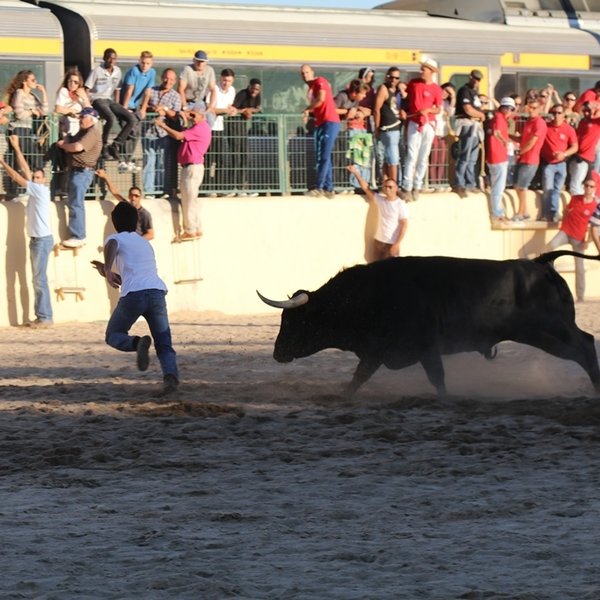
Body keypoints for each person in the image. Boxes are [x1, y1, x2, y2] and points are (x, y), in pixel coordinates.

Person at [92, 201, 179, 396]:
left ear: (115, 223)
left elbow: (113, 245)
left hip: (134, 296)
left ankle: (137, 343)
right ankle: (171, 378)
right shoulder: (144, 242)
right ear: (136, 222)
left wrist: (107, 268)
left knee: (113, 334)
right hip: (156, 293)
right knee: (164, 342)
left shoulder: (114, 238)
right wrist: (107, 270)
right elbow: (133, 274)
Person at [0, 135, 53, 327]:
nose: (36, 180)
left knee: (39, 280)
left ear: (44, 180)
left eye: (39, 178)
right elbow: (25, 170)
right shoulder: (35, 189)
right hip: (37, 240)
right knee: (37, 279)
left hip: (41, 240)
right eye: (35, 178)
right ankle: (42, 316)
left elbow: (17, 176)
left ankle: (45, 317)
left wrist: (2, 162)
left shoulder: (40, 190)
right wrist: (16, 147)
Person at [155, 106, 212, 240]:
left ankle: (190, 230)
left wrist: (162, 125)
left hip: (192, 168)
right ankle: (196, 228)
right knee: (192, 199)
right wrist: (186, 119)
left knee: (188, 199)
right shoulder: (200, 127)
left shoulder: (200, 128)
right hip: (193, 167)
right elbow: (186, 133)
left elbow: (179, 135)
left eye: (194, 115)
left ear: (202, 115)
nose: (191, 117)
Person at [544, 177, 598, 302]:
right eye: (586, 185)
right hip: (565, 231)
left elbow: (594, 226)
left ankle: (580, 296)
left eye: (591, 186)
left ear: (595, 189)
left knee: (579, 266)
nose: (588, 188)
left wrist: (588, 241)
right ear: (583, 186)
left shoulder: (595, 205)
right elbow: (566, 210)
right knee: (549, 248)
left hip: (579, 238)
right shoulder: (575, 198)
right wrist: (564, 219)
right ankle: (552, 276)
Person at [57, 106, 103, 248]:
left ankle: (78, 236)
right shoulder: (84, 131)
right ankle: (76, 234)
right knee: (73, 202)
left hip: (82, 172)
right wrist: (64, 132)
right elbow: (70, 141)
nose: (80, 119)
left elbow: (76, 147)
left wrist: (64, 146)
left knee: (76, 202)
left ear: (91, 119)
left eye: (83, 117)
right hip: (75, 171)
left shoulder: (93, 132)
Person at [347, 164, 409, 262]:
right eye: (385, 187)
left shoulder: (400, 204)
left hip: (391, 243)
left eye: (390, 187)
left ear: (396, 188)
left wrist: (397, 244)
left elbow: (404, 225)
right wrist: (355, 173)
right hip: (379, 241)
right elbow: (366, 188)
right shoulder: (380, 200)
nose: (387, 189)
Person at [402, 57, 443, 201]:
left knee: (423, 156)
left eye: (424, 69)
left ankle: (417, 186)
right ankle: (407, 186)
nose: (421, 71)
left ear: (431, 72)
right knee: (412, 155)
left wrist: (429, 110)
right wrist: (403, 109)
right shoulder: (413, 83)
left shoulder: (437, 89)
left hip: (428, 123)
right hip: (414, 121)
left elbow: (438, 108)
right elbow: (406, 99)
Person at [85, 49, 136, 163]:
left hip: (109, 99)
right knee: (111, 118)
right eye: (109, 58)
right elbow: (87, 88)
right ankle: (104, 146)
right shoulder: (96, 71)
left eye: (114, 58)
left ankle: (116, 144)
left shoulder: (117, 71)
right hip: (97, 99)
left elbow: (117, 89)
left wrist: (118, 106)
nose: (111, 61)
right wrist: (88, 105)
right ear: (104, 58)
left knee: (131, 119)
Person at [140, 67, 181, 199]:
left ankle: (161, 190)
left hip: (164, 133)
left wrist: (164, 109)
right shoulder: (151, 91)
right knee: (149, 162)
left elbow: (176, 115)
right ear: (161, 77)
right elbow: (142, 106)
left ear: (174, 81)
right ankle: (149, 191)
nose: (167, 81)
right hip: (148, 131)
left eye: (170, 79)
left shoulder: (176, 96)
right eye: (165, 77)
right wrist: (153, 108)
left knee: (162, 162)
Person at [300, 64, 341, 198]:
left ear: (312, 72)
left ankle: (319, 187)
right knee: (323, 155)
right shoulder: (310, 88)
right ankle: (329, 188)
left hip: (330, 122)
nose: (305, 75)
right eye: (303, 73)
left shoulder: (320, 81)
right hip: (320, 123)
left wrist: (307, 109)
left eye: (307, 72)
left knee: (324, 155)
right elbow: (316, 105)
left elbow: (321, 99)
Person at [118, 50, 156, 173]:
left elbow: (147, 92)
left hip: (136, 106)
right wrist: (124, 107)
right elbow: (129, 90)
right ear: (139, 61)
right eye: (143, 63)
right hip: (125, 104)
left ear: (151, 63)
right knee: (126, 131)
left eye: (148, 63)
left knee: (136, 133)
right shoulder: (134, 71)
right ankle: (122, 160)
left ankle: (128, 160)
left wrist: (144, 108)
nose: (145, 66)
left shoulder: (151, 73)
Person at [540, 103, 578, 221]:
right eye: (554, 113)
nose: (556, 115)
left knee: (556, 190)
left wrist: (564, 154)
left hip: (562, 165)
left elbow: (575, 147)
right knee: (547, 189)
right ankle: (547, 214)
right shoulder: (546, 127)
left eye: (559, 113)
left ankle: (554, 213)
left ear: (563, 115)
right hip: (548, 164)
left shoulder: (569, 129)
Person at [5, 69, 48, 173]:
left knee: (33, 161)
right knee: (30, 161)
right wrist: (31, 111)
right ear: (25, 81)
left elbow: (44, 111)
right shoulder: (19, 93)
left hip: (28, 131)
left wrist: (44, 93)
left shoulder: (33, 96)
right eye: (33, 80)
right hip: (18, 130)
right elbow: (19, 114)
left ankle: (34, 180)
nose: (35, 82)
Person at [95, 168, 154, 240]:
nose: (133, 198)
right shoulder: (127, 208)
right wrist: (105, 176)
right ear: (129, 196)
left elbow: (151, 234)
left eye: (136, 196)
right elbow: (115, 192)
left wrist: (136, 241)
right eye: (131, 195)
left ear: (140, 197)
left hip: (135, 244)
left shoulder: (144, 214)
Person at [512, 98, 547, 221]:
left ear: (539, 109)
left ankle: (520, 213)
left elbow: (532, 142)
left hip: (530, 160)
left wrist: (520, 152)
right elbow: (524, 139)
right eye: (530, 108)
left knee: (522, 187)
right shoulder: (529, 122)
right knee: (517, 186)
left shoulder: (539, 123)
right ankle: (525, 212)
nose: (531, 110)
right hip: (524, 159)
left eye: (534, 108)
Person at [453, 69, 486, 198]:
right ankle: (460, 183)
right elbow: (468, 109)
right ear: (470, 78)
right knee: (465, 156)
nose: (476, 82)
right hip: (467, 124)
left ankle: (470, 183)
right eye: (474, 79)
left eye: (478, 80)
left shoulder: (475, 93)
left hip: (476, 125)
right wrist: (481, 115)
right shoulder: (464, 91)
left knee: (472, 158)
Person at [227, 78, 262, 197]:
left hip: (243, 128)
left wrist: (250, 110)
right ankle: (232, 186)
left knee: (244, 156)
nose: (255, 91)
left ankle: (242, 186)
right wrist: (244, 111)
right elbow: (233, 109)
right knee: (235, 156)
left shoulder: (257, 95)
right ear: (249, 86)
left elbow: (258, 108)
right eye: (253, 88)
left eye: (257, 89)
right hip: (234, 126)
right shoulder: (242, 94)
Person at [334, 79, 371, 190]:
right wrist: (347, 112)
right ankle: (343, 184)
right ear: (354, 93)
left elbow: (353, 110)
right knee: (342, 158)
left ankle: (359, 183)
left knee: (359, 157)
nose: (364, 96)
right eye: (363, 93)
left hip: (347, 129)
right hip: (337, 129)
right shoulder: (342, 96)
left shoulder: (355, 100)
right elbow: (332, 110)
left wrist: (357, 111)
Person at [485, 96, 516, 222]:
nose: (509, 110)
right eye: (507, 108)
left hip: (497, 155)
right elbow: (497, 132)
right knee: (498, 186)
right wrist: (505, 142)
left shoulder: (501, 117)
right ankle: (497, 212)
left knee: (497, 184)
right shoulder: (499, 117)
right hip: (497, 156)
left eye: (510, 108)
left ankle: (497, 211)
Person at [206, 68, 237, 194]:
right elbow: (210, 108)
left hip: (221, 128)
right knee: (208, 160)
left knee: (221, 159)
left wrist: (232, 110)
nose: (226, 83)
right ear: (221, 79)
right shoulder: (213, 89)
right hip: (209, 129)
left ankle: (219, 187)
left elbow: (229, 107)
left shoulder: (232, 91)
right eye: (224, 80)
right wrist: (224, 111)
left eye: (229, 81)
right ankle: (207, 188)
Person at [373, 66, 403, 187]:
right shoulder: (383, 89)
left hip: (398, 127)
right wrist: (377, 127)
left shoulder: (398, 90)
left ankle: (387, 184)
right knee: (393, 158)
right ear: (387, 76)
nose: (393, 80)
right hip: (388, 128)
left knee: (389, 158)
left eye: (396, 78)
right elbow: (376, 109)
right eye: (391, 77)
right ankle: (393, 185)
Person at [178, 50, 217, 126]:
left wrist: (211, 106)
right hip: (187, 101)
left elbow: (213, 90)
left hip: (199, 102)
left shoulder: (210, 70)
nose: (200, 63)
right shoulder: (187, 69)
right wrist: (185, 106)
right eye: (198, 61)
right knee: (183, 121)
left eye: (202, 61)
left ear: (206, 62)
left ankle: (205, 136)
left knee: (210, 119)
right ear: (194, 60)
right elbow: (181, 89)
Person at [569, 101, 600, 195]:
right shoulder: (582, 122)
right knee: (578, 183)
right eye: (585, 110)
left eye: (589, 110)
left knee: (577, 184)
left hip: (586, 157)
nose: (587, 112)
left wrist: (597, 107)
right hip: (576, 156)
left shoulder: (596, 122)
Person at [54, 68, 90, 137]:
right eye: (70, 81)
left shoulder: (81, 94)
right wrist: (73, 112)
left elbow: (90, 111)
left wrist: (85, 98)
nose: (72, 84)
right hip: (68, 125)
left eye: (75, 82)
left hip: (80, 126)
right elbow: (58, 108)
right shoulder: (64, 91)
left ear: (79, 84)